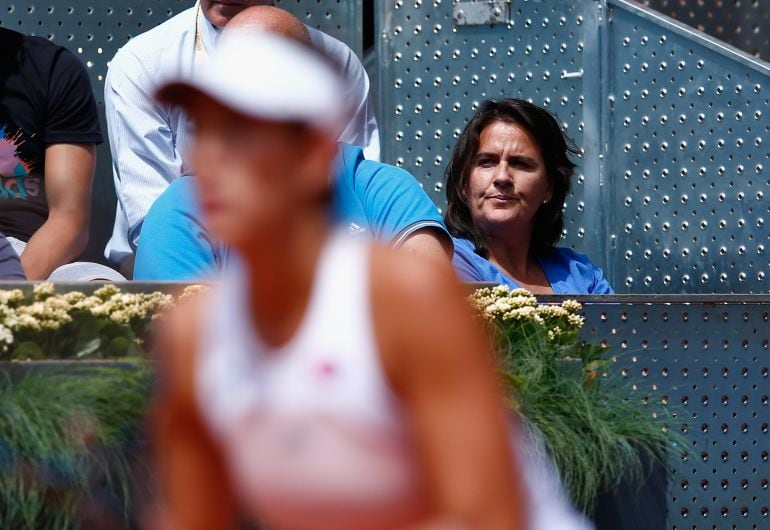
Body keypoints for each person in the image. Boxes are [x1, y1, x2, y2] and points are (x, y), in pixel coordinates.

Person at [151, 29, 595, 530]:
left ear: (314, 155)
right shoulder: (193, 334)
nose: (210, 159)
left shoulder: (404, 300)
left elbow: (488, 517)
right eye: (202, 131)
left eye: (239, 133)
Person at [132, 7, 449, 281]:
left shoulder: (383, 189)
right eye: (210, 122)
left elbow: (428, 298)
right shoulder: (177, 213)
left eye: (245, 122)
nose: (211, 151)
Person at [104, 0, 379, 274]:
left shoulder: (338, 63)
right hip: (172, 272)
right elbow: (155, 229)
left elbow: (350, 187)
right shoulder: (141, 63)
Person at [444, 98, 613, 294]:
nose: (502, 177)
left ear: (549, 187)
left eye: (520, 163)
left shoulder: (581, 275)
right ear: (464, 183)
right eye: (487, 162)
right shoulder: (447, 261)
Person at [0, 28, 104, 280]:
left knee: (103, 288)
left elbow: (69, 219)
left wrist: (13, 293)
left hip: (30, 257)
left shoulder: (52, 68)